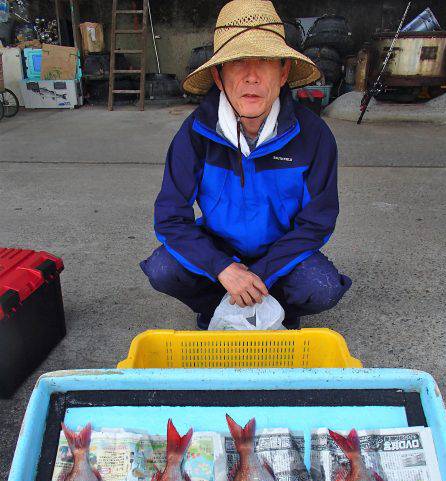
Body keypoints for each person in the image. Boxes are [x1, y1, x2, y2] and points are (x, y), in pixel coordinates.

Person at [141, 0, 351, 329]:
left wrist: (261, 273)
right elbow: (170, 218)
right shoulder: (195, 132)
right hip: (220, 251)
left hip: (282, 255)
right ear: (219, 76)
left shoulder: (314, 136)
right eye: (237, 62)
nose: (251, 77)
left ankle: (277, 309)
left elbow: (316, 223)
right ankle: (217, 306)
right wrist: (223, 268)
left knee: (321, 288)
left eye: (265, 61)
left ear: (283, 72)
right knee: (163, 269)